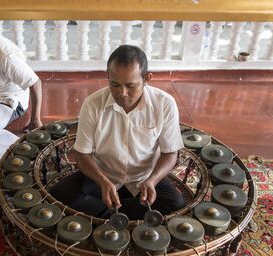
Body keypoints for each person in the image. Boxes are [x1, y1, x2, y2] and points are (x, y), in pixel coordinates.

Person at [52, 45, 185, 220]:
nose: (122, 93)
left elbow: (170, 153)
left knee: (174, 203)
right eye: (115, 84)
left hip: (143, 178)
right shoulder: (93, 104)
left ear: (147, 78)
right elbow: (82, 154)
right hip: (103, 175)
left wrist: (152, 181)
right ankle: (126, 215)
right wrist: (102, 181)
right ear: (108, 77)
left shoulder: (165, 104)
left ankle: (106, 214)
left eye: (130, 86)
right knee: (58, 194)